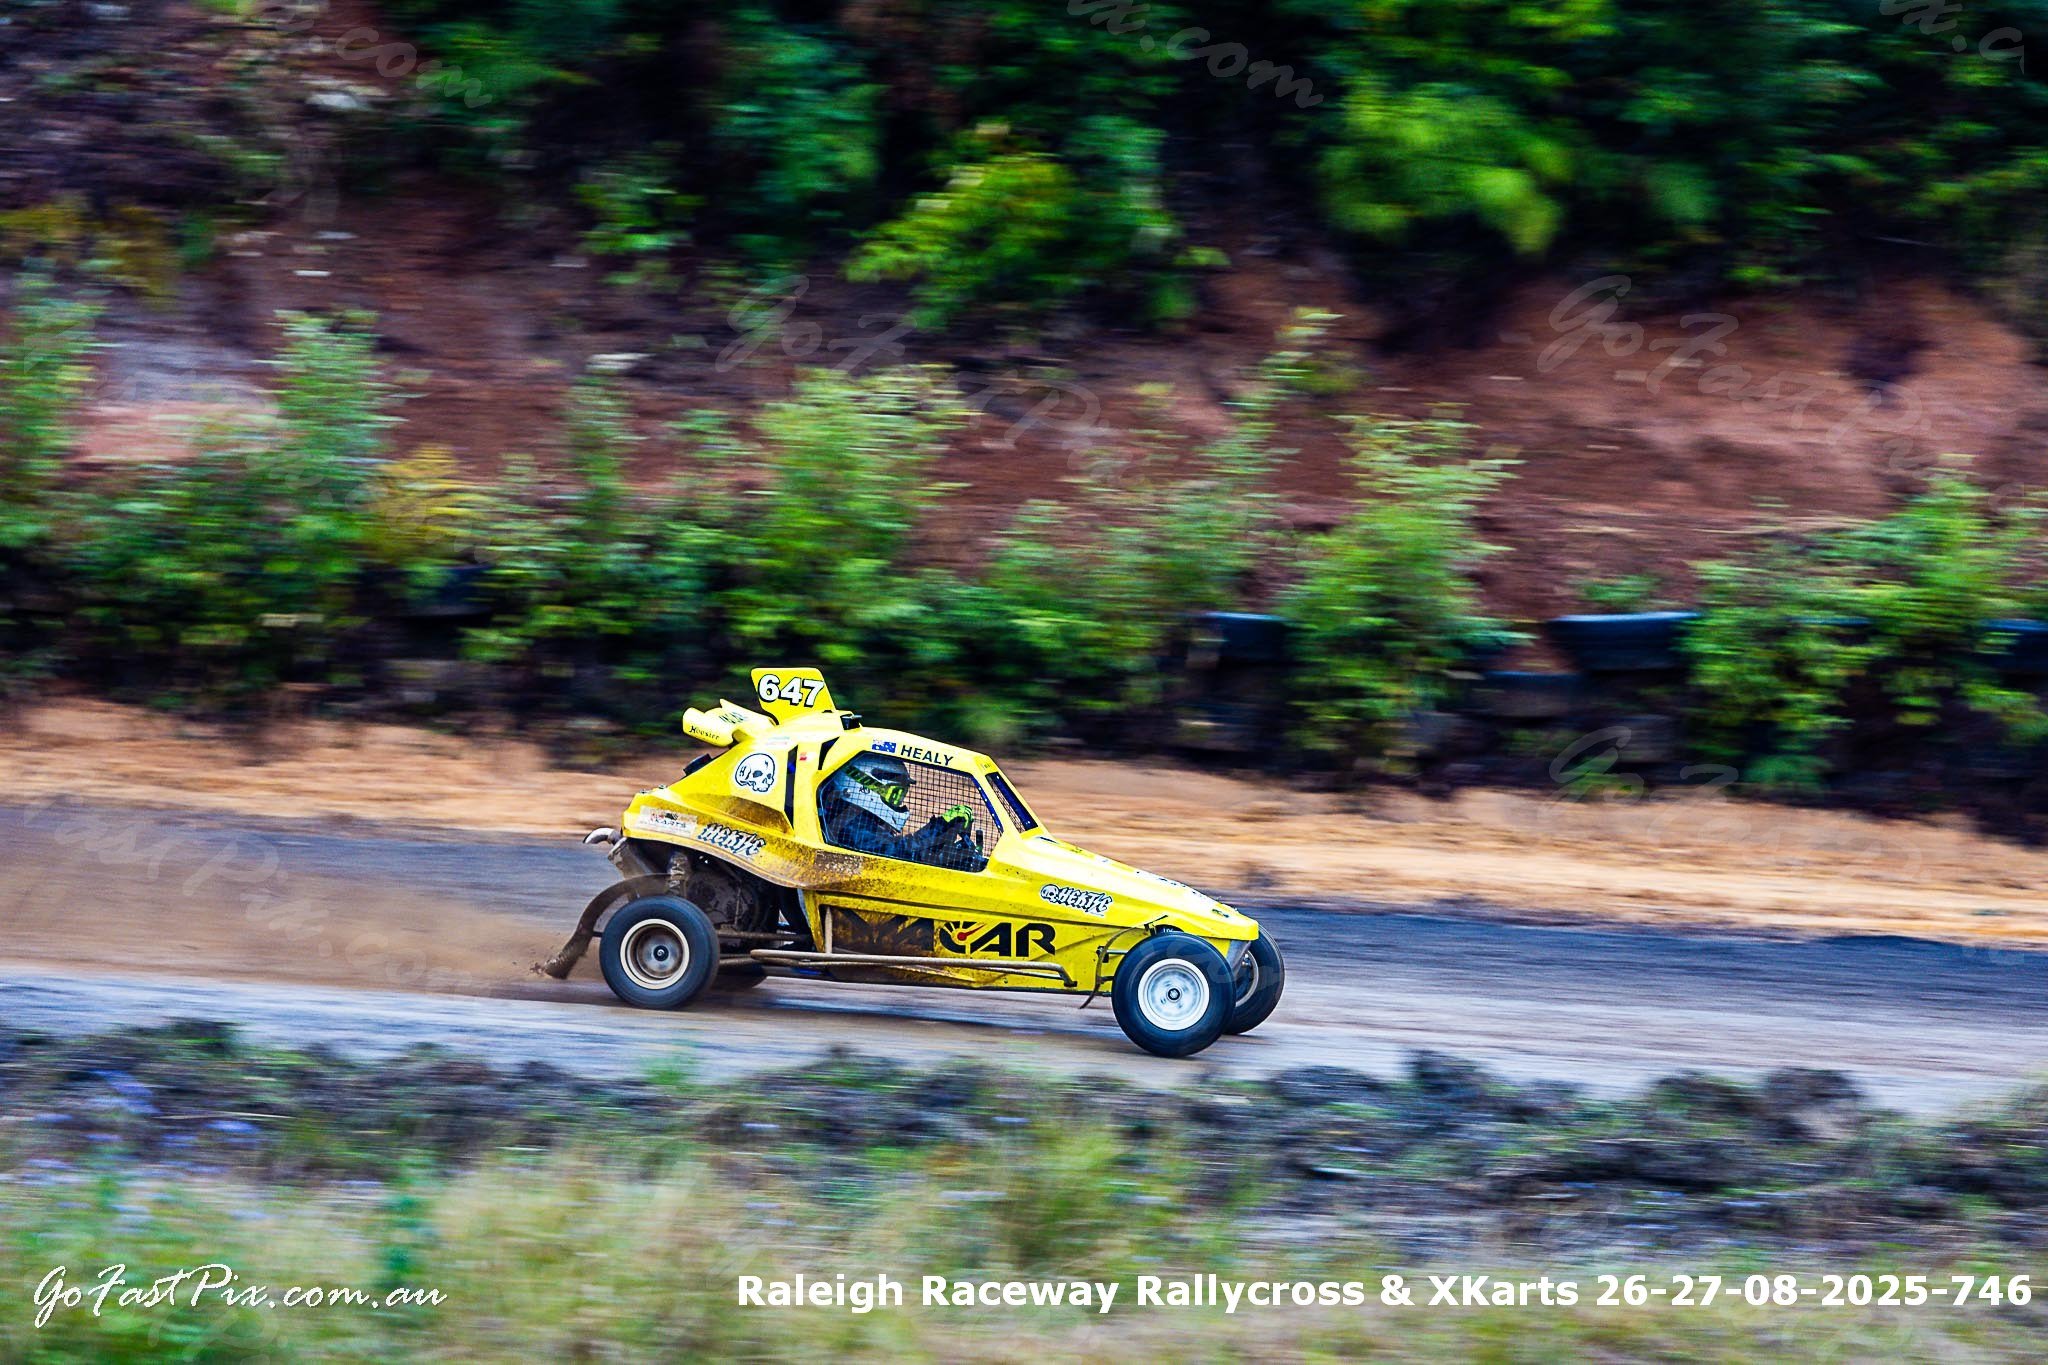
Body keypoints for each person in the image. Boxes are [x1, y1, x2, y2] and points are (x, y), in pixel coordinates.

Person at [821, 752, 984, 870]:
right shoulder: (848, 824)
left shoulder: (857, 820)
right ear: (862, 788)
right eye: (896, 795)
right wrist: (939, 827)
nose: (899, 803)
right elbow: (895, 853)